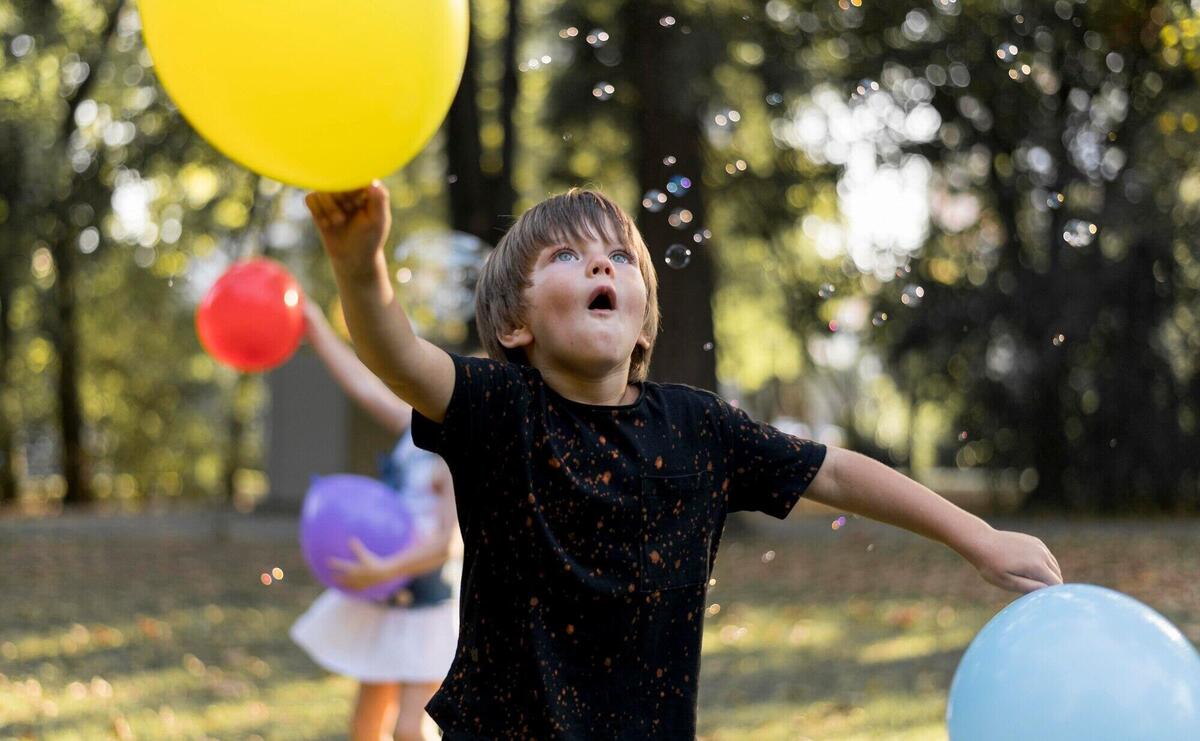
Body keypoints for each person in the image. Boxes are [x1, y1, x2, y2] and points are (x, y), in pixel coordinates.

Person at [304, 184, 1064, 739]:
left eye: (618, 258)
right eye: (568, 255)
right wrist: (356, 262)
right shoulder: (500, 408)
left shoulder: (698, 428)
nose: (601, 267)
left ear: (641, 322)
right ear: (512, 324)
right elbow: (396, 355)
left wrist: (978, 536)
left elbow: (832, 471)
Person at [289, 299, 460, 741]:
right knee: (365, 725)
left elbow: (445, 544)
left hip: (425, 602)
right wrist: (316, 329)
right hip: (386, 594)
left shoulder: (455, 456)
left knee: (409, 730)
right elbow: (363, 389)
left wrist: (383, 569)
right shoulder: (414, 429)